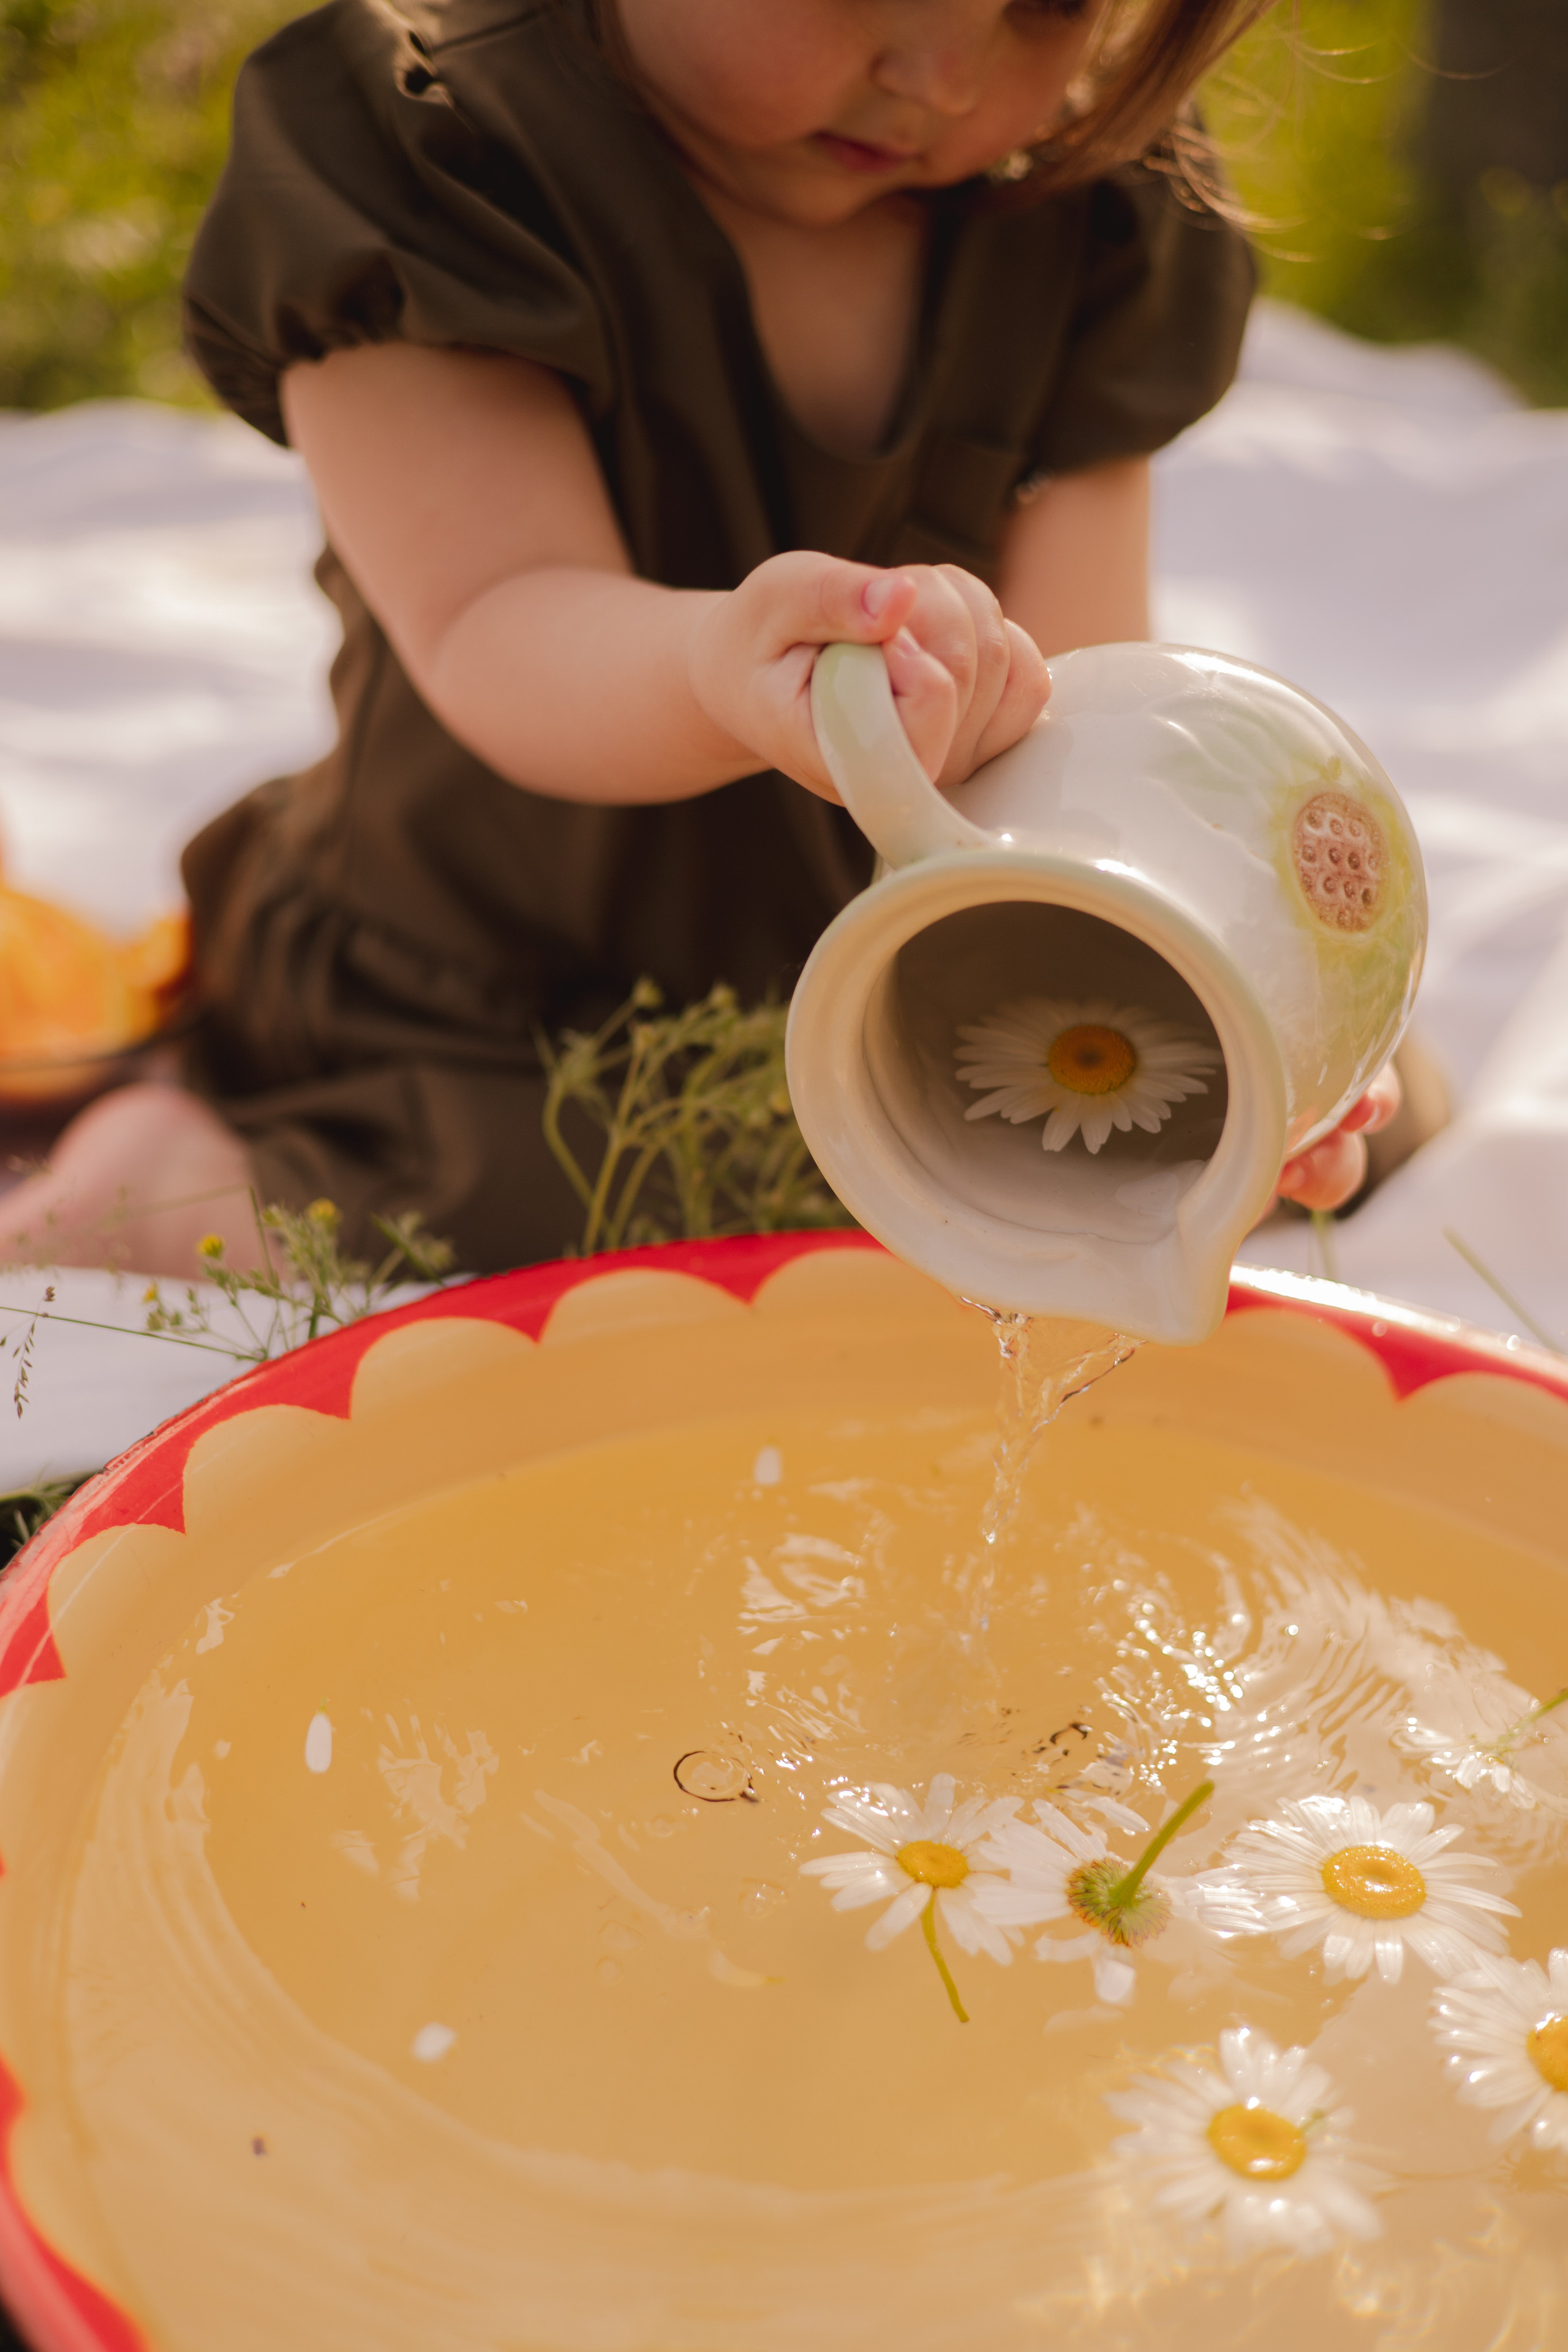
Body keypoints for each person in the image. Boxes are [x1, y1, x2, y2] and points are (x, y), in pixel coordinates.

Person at [2, 0, 1396, 1278]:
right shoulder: (441, 152)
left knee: (1294, 1119)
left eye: (1042, 7)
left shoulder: (1084, 203)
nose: (942, 74)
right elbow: (498, 622)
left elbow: (1087, 716)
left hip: (880, 959)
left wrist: (1205, 980)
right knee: (659, 1223)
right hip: (498, 984)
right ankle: (185, 1179)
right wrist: (721, 675)